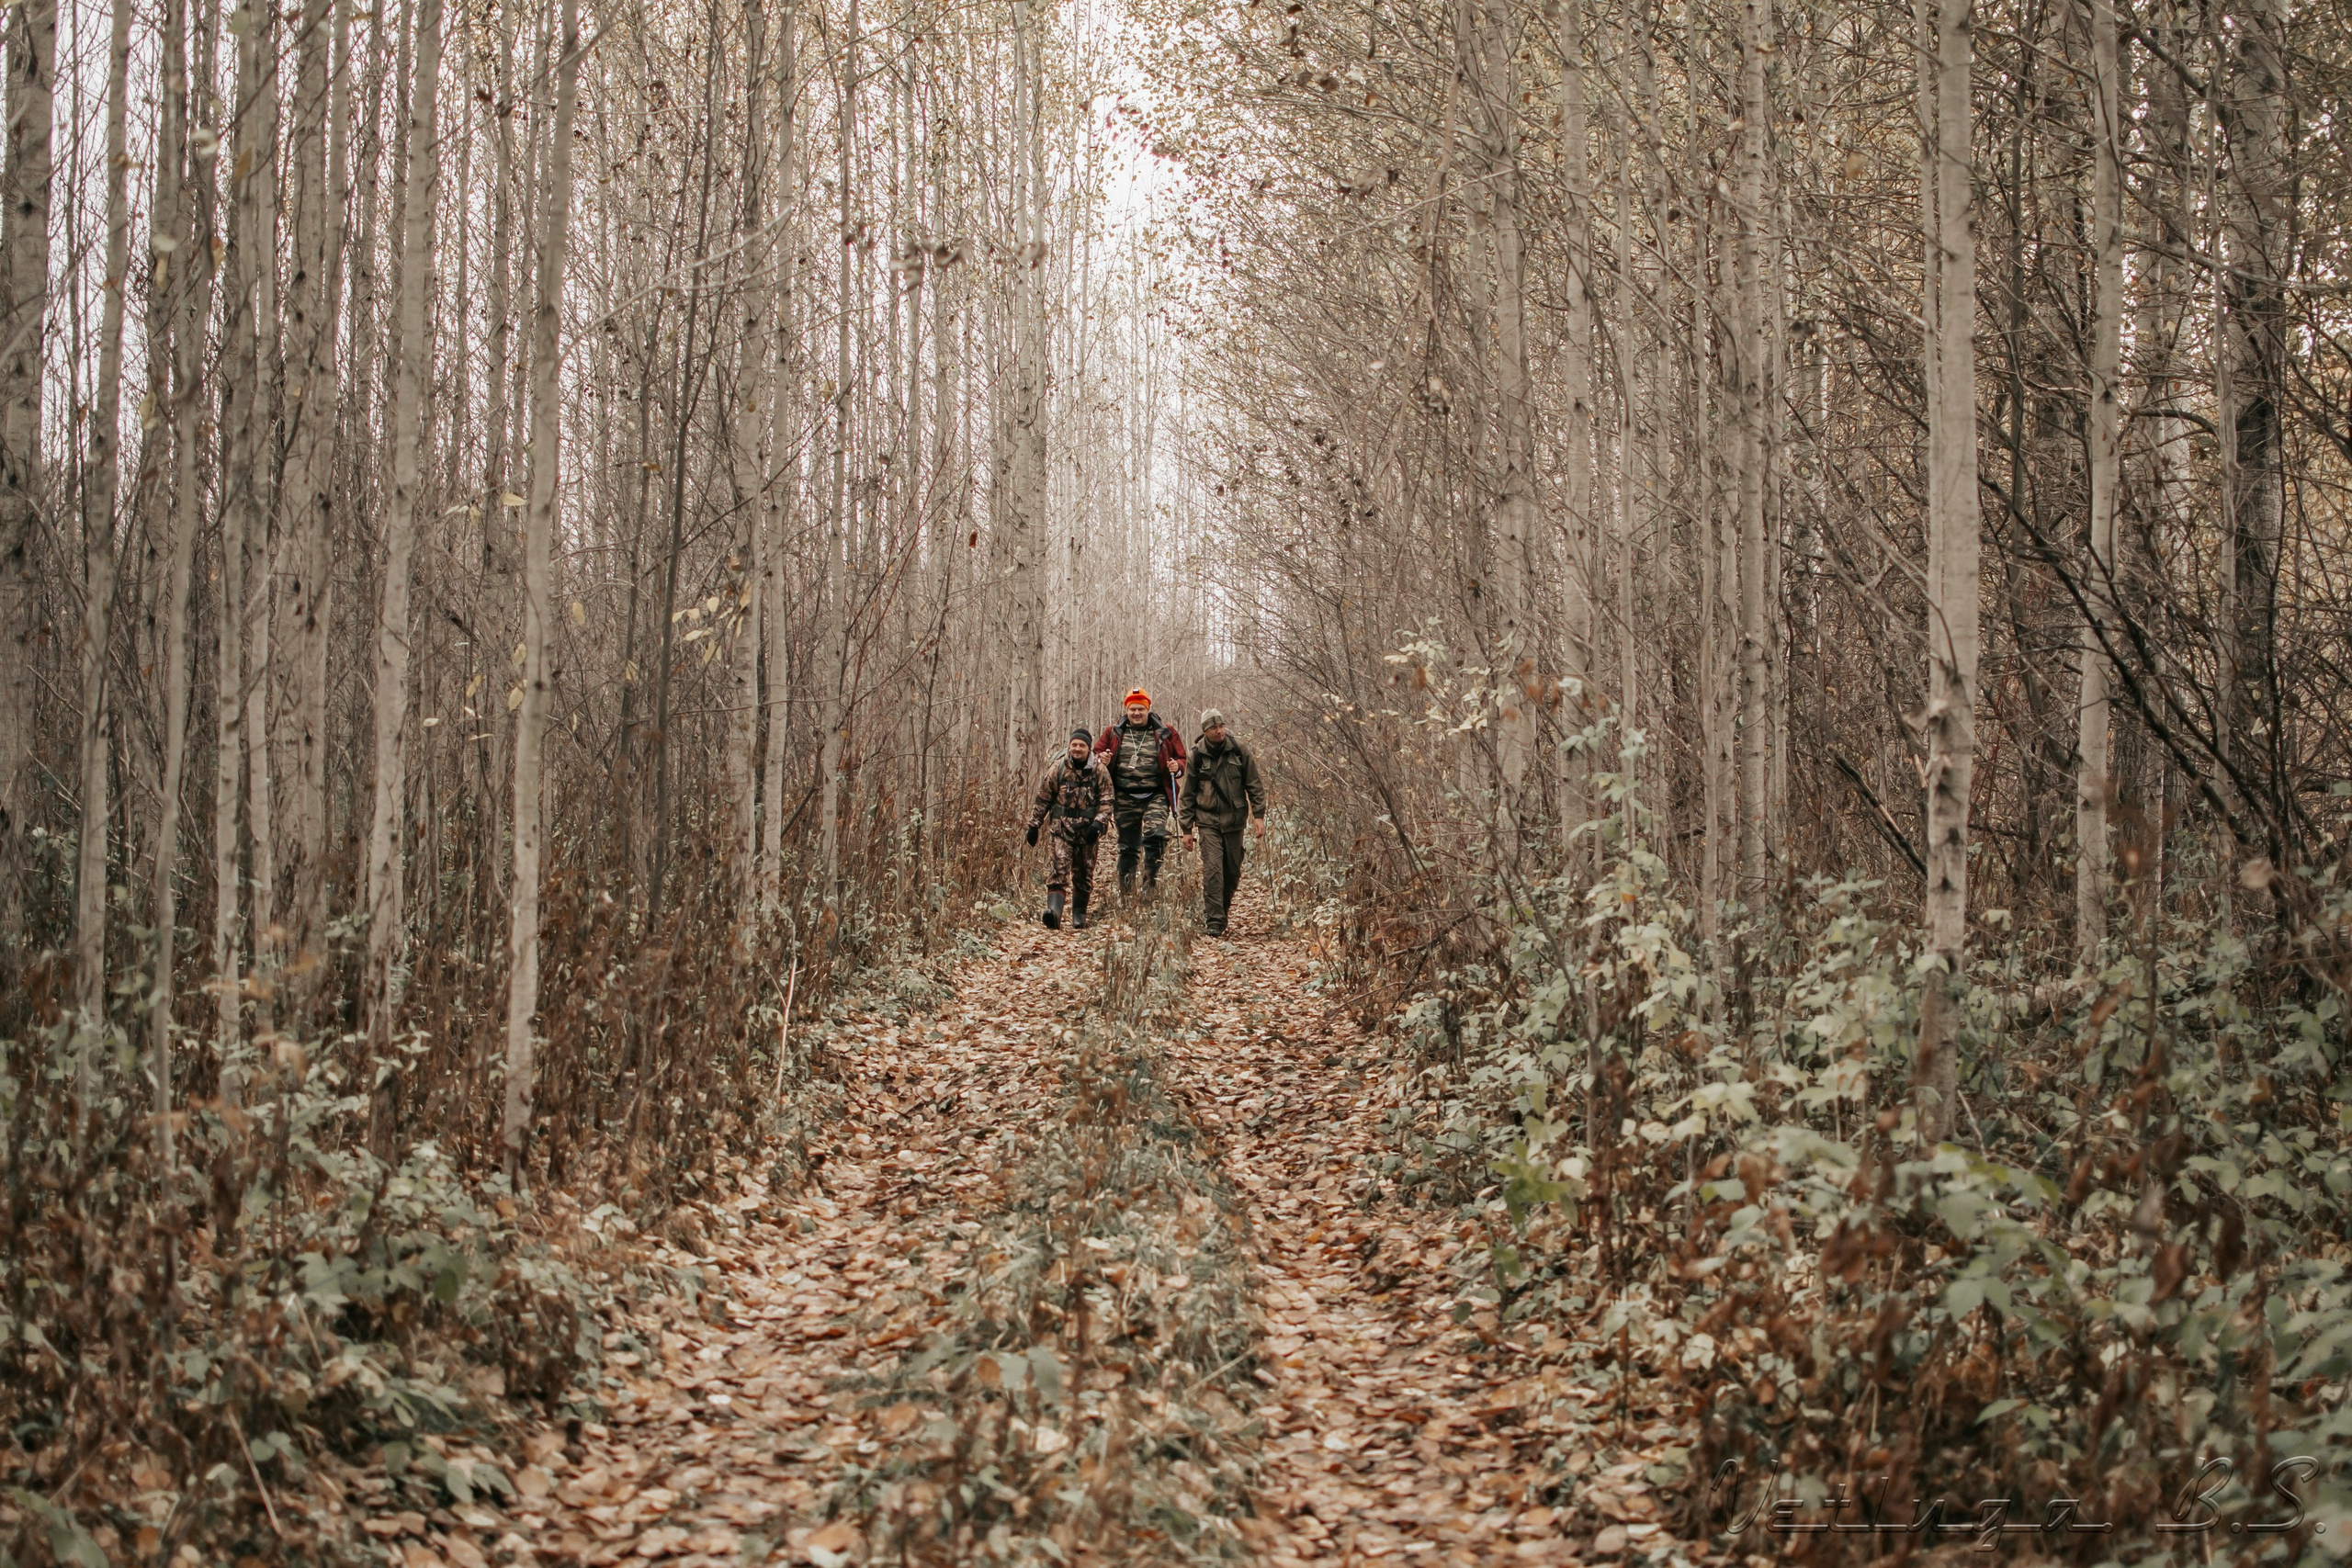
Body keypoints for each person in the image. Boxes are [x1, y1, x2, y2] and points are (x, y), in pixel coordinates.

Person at [1093, 688, 1188, 902]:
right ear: (1126, 709)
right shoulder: (1113, 732)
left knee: (1155, 835)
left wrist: (1177, 767)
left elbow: (1182, 759)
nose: (1136, 713)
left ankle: (1150, 885)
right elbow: (1095, 755)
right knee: (1128, 846)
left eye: (1141, 709)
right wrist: (1102, 760)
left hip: (1156, 793)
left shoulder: (1166, 731)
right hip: (1124, 795)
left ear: (1148, 709)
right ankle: (1127, 894)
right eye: (1132, 709)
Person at [1178, 707, 1266, 939]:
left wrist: (1259, 816)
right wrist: (1186, 829)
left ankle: (1222, 912)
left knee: (1232, 871)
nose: (1219, 731)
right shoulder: (1196, 756)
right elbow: (1186, 794)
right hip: (1207, 822)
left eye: (1221, 726)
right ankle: (1215, 921)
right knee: (1213, 870)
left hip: (1235, 821)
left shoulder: (1239, 750)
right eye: (1213, 728)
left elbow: (1254, 784)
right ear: (1205, 731)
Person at [1025, 727, 1114, 930]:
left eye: (1081, 745)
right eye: (1074, 744)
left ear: (1089, 748)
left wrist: (1098, 823)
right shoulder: (1058, 769)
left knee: (1084, 874)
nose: (1077, 748)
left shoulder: (1100, 771)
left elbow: (1108, 801)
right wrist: (1034, 825)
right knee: (1058, 870)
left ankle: (1079, 915)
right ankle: (1054, 914)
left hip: (1088, 831)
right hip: (1060, 829)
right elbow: (1043, 799)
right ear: (1069, 746)